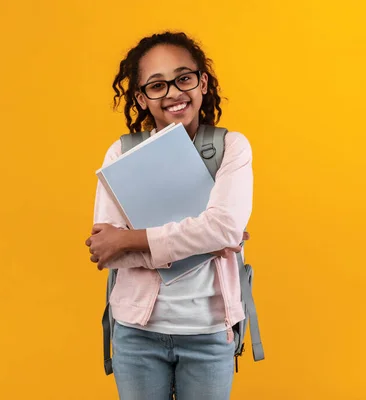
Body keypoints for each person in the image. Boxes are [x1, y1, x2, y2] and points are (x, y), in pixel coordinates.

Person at [85, 31, 253, 400]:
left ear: (202, 82)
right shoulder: (121, 154)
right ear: (142, 99)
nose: (174, 93)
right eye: (157, 85)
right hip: (135, 333)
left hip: (209, 332)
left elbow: (224, 227)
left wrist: (132, 237)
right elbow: (106, 249)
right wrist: (209, 240)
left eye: (184, 78)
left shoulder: (231, 148)